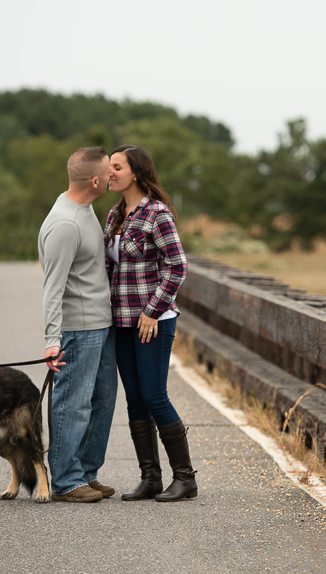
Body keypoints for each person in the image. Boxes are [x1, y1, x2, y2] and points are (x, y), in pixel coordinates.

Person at [104, 144, 196, 502]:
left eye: (116, 167)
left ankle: (185, 478)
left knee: (155, 397)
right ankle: (150, 478)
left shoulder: (157, 213)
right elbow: (111, 269)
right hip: (121, 321)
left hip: (152, 322)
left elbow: (177, 266)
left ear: (137, 173)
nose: (110, 172)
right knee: (135, 401)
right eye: (109, 166)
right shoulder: (114, 215)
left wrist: (152, 311)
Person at [38, 146, 117, 503]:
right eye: (109, 172)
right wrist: (53, 339)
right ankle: (66, 481)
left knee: (102, 401)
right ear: (96, 180)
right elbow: (52, 289)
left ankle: (86, 472)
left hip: (101, 323)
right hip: (78, 329)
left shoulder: (85, 209)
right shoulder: (65, 224)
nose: (113, 175)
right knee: (73, 403)